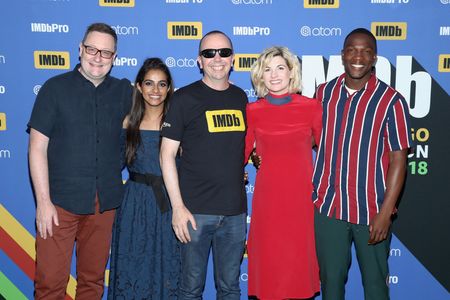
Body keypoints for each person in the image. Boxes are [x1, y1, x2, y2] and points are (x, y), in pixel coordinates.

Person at [28, 23, 132, 299]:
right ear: (80, 49)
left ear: (115, 57)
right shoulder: (54, 89)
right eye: (92, 49)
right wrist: (43, 202)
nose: (98, 57)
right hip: (58, 203)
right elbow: (37, 148)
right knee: (50, 283)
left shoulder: (124, 92)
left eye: (106, 53)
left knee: (93, 281)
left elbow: (151, 119)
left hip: (104, 204)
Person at [312, 28, 413, 300]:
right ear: (342, 55)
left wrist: (385, 211)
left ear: (374, 58)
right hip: (328, 208)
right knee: (330, 284)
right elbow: (303, 139)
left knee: (376, 285)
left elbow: (398, 159)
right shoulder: (323, 94)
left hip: (371, 211)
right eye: (352, 50)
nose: (358, 57)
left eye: (366, 51)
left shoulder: (391, 101)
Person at [160, 30, 248, 299]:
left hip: (234, 213)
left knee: (230, 288)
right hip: (194, 213)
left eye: (224, 52)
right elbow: (166, 154)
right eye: (209, 53)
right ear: (199, 60)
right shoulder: (183, 98)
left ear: (233, 59)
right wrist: (177, 207)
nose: (217, 58)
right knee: (190, 289)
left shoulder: (241, 98)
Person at [245, 46, 321, 300]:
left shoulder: (312, 107)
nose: (274, 75)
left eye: (280, 68)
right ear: (260, 76)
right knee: (270, 276)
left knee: (299, 276)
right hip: (268, 205)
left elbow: (330, 155)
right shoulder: (253, 111)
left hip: (301, 204)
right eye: (267, 69)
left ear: (291, 72)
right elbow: (237, 157)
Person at [107, 58, 180, 299]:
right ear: (139, 87)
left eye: (161, 84)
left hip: (169, 204)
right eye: (149, 83)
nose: (155, 91)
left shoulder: (178, 123)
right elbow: (114, 163)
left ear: (169, 88)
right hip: (134, 204)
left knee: (167, 267)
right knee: (134, 267)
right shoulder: (129, 122)